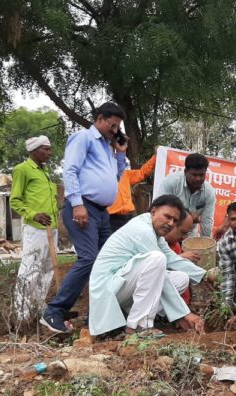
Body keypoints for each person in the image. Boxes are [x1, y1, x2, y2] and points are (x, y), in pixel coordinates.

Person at [41, 102, 128, 333]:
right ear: (99, 118)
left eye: (118, 127)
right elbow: (70, 170)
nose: (115, 131)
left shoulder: (108, 147)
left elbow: (117, 177)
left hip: (102, 212)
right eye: (112, 125)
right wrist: (77, 203)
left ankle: (97, 317)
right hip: (84, 207)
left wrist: (120, 153)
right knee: (89, 258)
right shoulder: (84, 138)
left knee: (109, 261)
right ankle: (54, 311)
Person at [88, 194, 205, 337]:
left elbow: (172, 259)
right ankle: (138, 326)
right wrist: (184, 313)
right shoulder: (142, 229)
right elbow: (160, 269)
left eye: (175, 220)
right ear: (154, 211)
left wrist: (203, 275)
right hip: (108, 291)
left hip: (121, 286)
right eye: (167, 217)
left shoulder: (155, 232)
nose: (170, 223)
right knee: (157, 259)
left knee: (181, 279)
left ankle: (136, 317)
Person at [9, 136, 59, 321]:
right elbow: (15, 200)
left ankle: (38, 307)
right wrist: (33, 214)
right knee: (31, 269)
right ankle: (22, 314)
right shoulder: (22, 169)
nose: (49, 153)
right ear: (34, 150)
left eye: (49, 149)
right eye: (46, 149)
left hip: (51, 228)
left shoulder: (45, 172)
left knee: (47, 270)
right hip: (35, 228)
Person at [155, 153, 215, 238]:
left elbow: (207, 220)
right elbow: (160, 208)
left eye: (201, 175)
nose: (198, 179)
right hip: (169, 229)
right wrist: (188, 215)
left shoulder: (209, 192)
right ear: (186, 171)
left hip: (189, 233)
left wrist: (205, 242)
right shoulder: (171, 182)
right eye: (194, 175)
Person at [106, 153, 157, 231]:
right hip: (112, 217)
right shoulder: (103, 176)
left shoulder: (126, 174)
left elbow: (142, 173)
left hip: (130, 214)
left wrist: (155, 157)